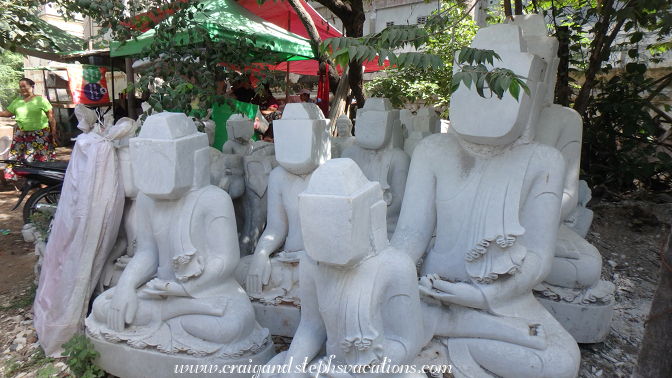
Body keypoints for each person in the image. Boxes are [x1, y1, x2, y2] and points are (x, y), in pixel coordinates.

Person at [0, 78, 58, 180]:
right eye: (20, 87)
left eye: (25, 86)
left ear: (32, 86)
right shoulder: (17, 101)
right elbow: (6, 113)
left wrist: (53, 130)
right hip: (21, 135)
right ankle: (20, 179)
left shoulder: (41, 100)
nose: (22, 89)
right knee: (16, 156)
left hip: (40, 134)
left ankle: (42, 179)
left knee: (40, 157)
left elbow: (51, 116)